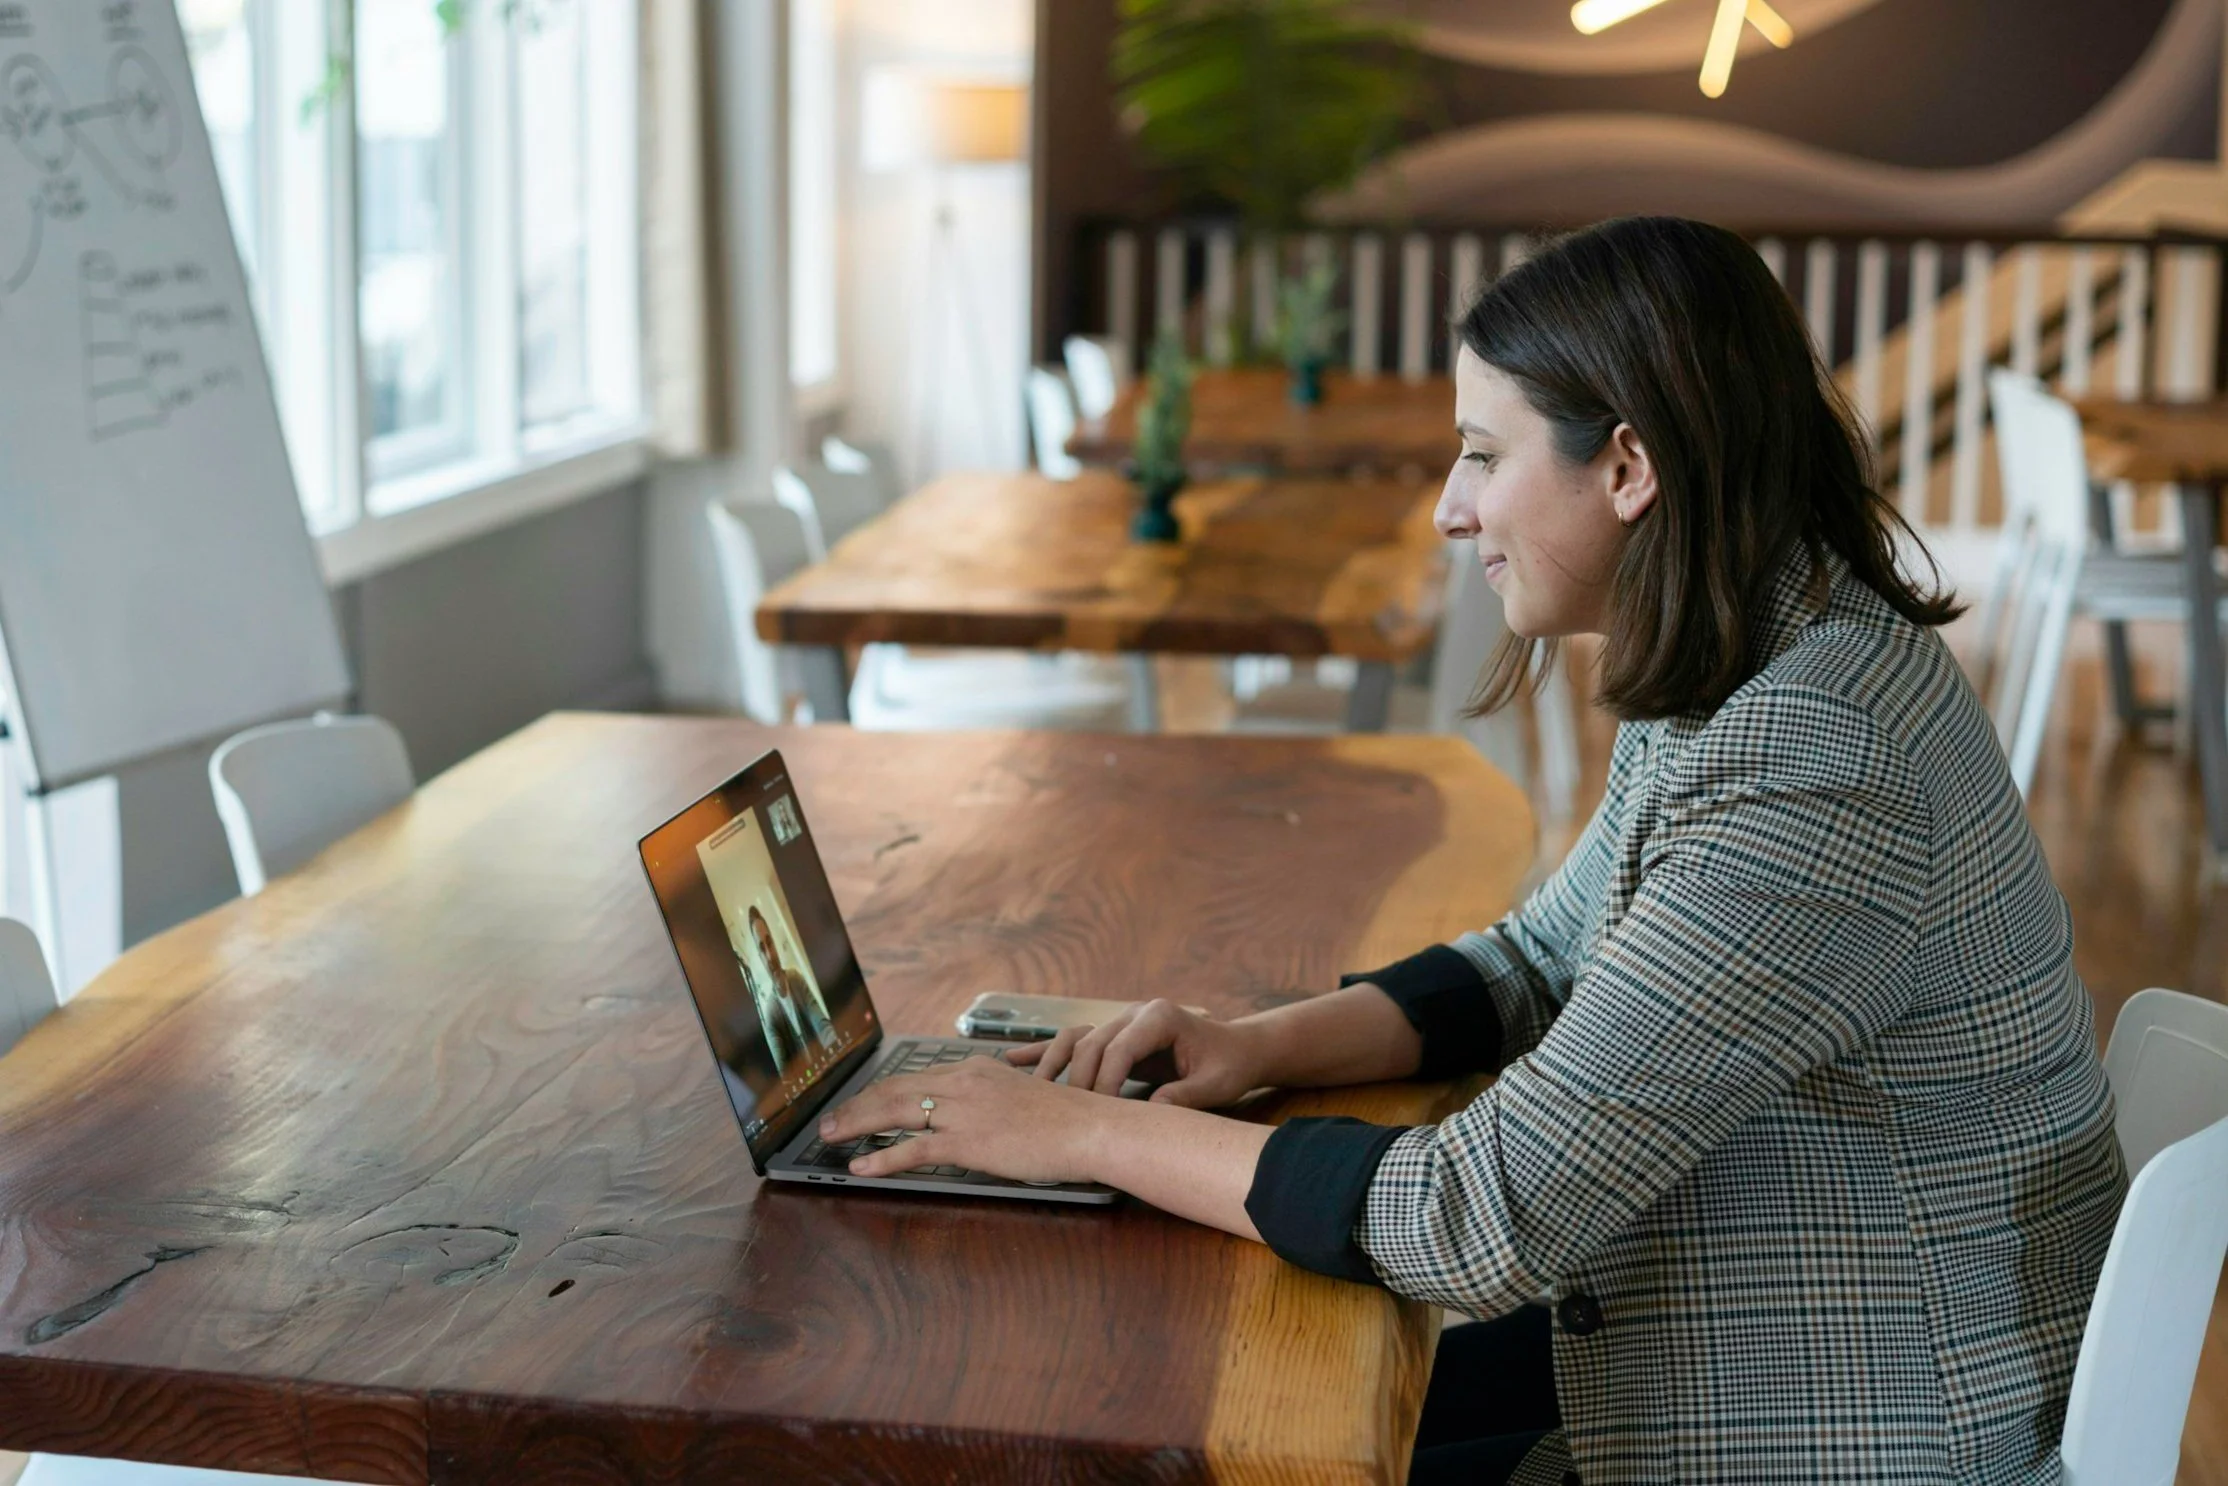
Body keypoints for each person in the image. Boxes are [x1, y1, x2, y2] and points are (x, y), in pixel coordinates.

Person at [814, 217, 2125, 1486]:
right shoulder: (1766, 655)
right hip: (1742, 1356)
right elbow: (1541, 958)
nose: (1451, 510)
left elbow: (1480, 1215)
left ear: (1627, 467)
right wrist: (1257, 1043)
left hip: (1859, 1432)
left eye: (1483, 455)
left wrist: (1083, 1135)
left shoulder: (1820, 756)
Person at [751, 906, 837, 1053]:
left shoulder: (796, 979)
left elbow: (822, 1025)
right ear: (759, 958)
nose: (770, 956)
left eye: (769, 943)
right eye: (762, 948)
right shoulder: (771, 1016)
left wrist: (837, 1046)